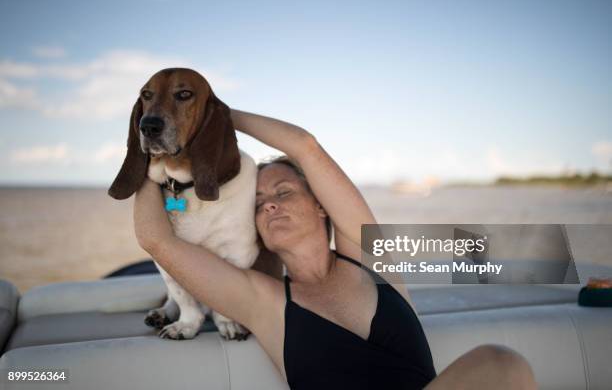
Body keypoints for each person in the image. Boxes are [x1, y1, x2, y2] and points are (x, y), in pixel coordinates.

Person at [134, 110, 537, 389]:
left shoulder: (372, 261)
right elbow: (157, 239)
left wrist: (213, 113)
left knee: (500, 362)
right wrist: (147, 157)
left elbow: (305, 146)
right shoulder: (262, 301)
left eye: (283, 191)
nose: (269, 203)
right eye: (256, 203)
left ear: (321, 205)